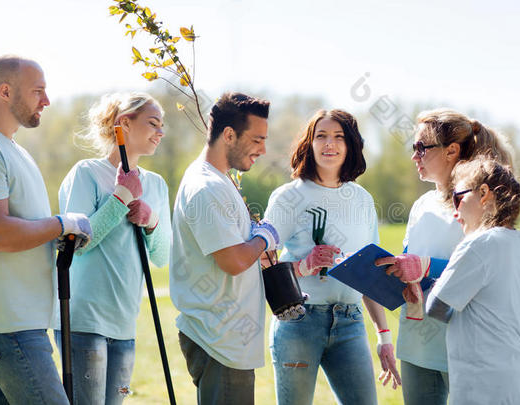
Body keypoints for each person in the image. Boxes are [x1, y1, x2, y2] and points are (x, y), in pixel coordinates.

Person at [374, 108, 513, 405]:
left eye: (421, 147)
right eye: (414, 148)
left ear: (452, 150)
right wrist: (402, 276)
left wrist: (424, 268)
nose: (414, 156)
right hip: (417, 341)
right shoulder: (421, 205)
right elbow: (412, 264)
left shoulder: (481, 204)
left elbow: (489, 269)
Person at [263, 109, 400, 405]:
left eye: (339, 137)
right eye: (321, 136)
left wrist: (384, 337)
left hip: (350, 322)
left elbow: (369, 272)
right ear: (309, 144)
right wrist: (305, 265)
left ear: (350, 145)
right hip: (299, 320)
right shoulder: (288, 197)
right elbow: (264, 265)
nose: (330, 144)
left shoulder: (362, 200)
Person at [54, 92, 171, 404]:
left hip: (124, 325)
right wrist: (120, 198)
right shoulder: (86, 173)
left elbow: (162, 256)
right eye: (153, 124)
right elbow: (75, 245)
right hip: (83, 321)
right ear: (124, 125)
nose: (161, 132)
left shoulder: (157, 184)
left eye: (162, 126)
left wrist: (152, 221)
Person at [169, 92, 279, 404]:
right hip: (220, 342)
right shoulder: (207, 187)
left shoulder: (220, 180)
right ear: (229, 135)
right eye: (257, 139)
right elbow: (232, 261)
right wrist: (265, 237)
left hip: (227, 342)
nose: (263, 149)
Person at [0, 55, 92, 404]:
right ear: (5, 91)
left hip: (22, 324)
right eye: (38, 91)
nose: (47, 101)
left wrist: (59, 237)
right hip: (10, 328)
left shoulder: (14, 150)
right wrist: (59, 224)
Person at [425, 157, 520, 404]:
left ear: (484, 193)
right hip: (514, 377)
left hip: (479, 382)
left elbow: (436, 307)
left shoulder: (478, 244)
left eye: (458, 198)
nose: (455, 212)